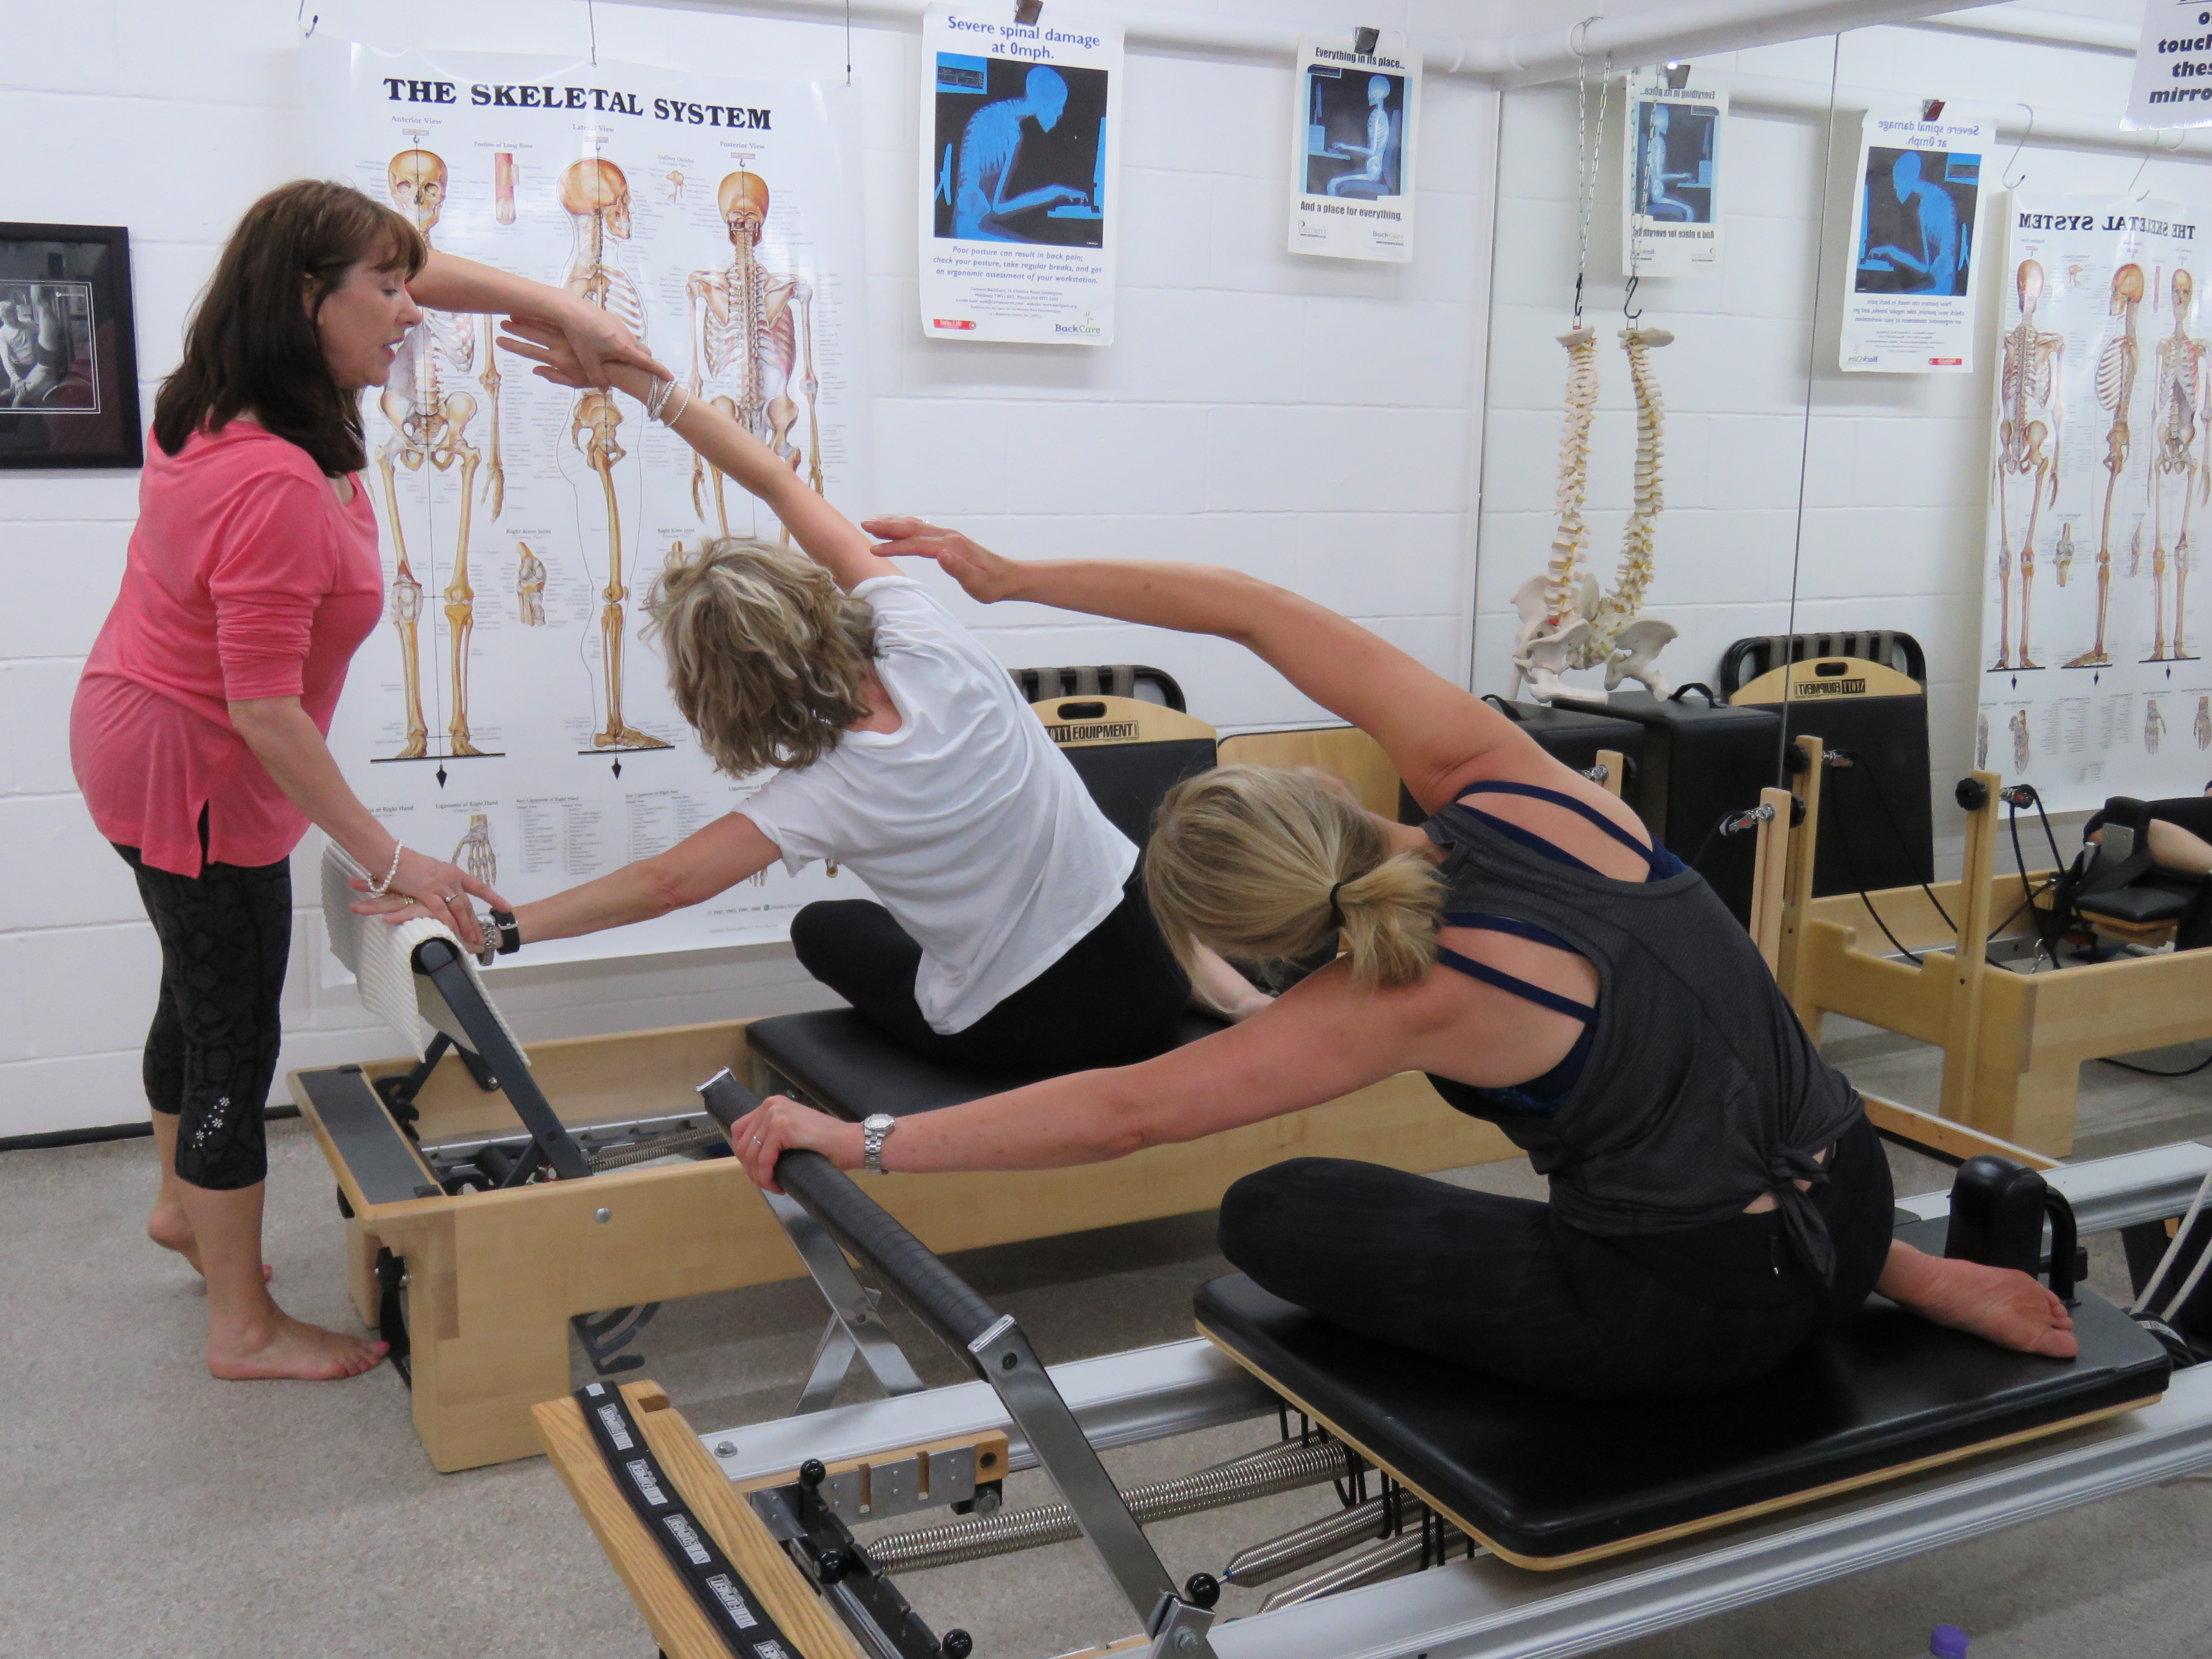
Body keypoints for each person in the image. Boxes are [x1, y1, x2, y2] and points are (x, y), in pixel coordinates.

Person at [722, 534, 2080, 1399]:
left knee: (1278, 1215)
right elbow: (1252, 608)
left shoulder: (1384, 997)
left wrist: (866, 1136)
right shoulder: (1521, 785)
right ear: (1335, 793)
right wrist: (1013, 577)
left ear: (1260, 941)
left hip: (1695, 1315)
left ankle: (1835, 1292)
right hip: (1855, 1200)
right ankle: (1909, 1270)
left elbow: (1127, 1112)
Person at [69, 180, 660, 1382]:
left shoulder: (224, 392)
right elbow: (265, 711)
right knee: (232, 1023)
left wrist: (560, 306)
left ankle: (183, 1206)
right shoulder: (274, 478)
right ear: (306, 302)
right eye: (386, 293)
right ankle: (242, 1324)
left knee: (195, 986)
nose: (411, 312)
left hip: (137, 724)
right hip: (199, 762)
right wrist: (391, 857)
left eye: (408, 284)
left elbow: (410, 273)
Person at [462, 322, 1264, 1072]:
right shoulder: (927, 638)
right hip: (1151, 970)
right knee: (1088, 858)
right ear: (812, 598)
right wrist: (638, 383)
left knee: (825, 928)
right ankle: (1232, 992)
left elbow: (664, 883)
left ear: (721, 694)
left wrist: (499, 930)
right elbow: (776, 481)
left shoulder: (818, 796)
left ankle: (1093, 998)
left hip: (1042, 1037)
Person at [952, 66, 1089, 241]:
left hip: (975, 227)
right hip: (970, 232)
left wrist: (1057, 191)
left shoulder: (1004, 118)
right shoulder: (1004, 127)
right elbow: (999, 208)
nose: (1061, 113)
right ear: (1044, 103)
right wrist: (1055, 192)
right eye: (1058, 106)